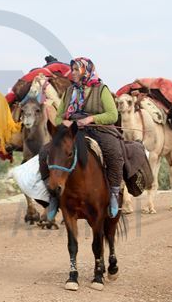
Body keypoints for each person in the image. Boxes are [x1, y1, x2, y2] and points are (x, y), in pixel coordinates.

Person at [41, 57, 123, 219]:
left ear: (86, 71)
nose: (73, 73)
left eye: (77, 69)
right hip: (72, 130)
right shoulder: (69, 91)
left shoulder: (101, 89)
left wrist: (90, 119)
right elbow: (58, 117)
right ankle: (52, 196)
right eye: (73, 69)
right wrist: (63, 121)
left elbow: (112, 115)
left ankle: (114, 193)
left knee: (114, 152)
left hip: (96, 129)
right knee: (45, 152)